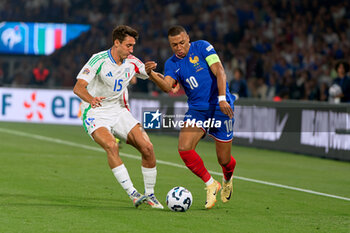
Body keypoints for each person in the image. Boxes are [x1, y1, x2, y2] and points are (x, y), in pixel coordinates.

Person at [146, 26, 237, 209]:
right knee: (184, 148)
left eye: (181, 42)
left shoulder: (202, 47)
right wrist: (151, 75)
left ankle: (227, 178)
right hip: (197, 109)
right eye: (174, 45)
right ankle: (211, 184)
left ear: (188, 38)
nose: (179, 47)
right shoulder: (172, 63)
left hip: (221, 107)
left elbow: (219, 71)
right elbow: (167, 86)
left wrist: (221, 99)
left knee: (224, 160)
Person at [73, 25, 163, 209]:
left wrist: (153, 72)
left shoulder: (132, 61)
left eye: (133, 46)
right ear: (116, 43)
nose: (132, 50)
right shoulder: (98, 60)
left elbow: (149, 74)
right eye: (128, 46)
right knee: (111, 145)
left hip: (119, 110)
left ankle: (151, 195)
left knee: (147, 147)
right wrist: (91, 99)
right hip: (95, 112)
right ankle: (133, 193)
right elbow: (78, 87)